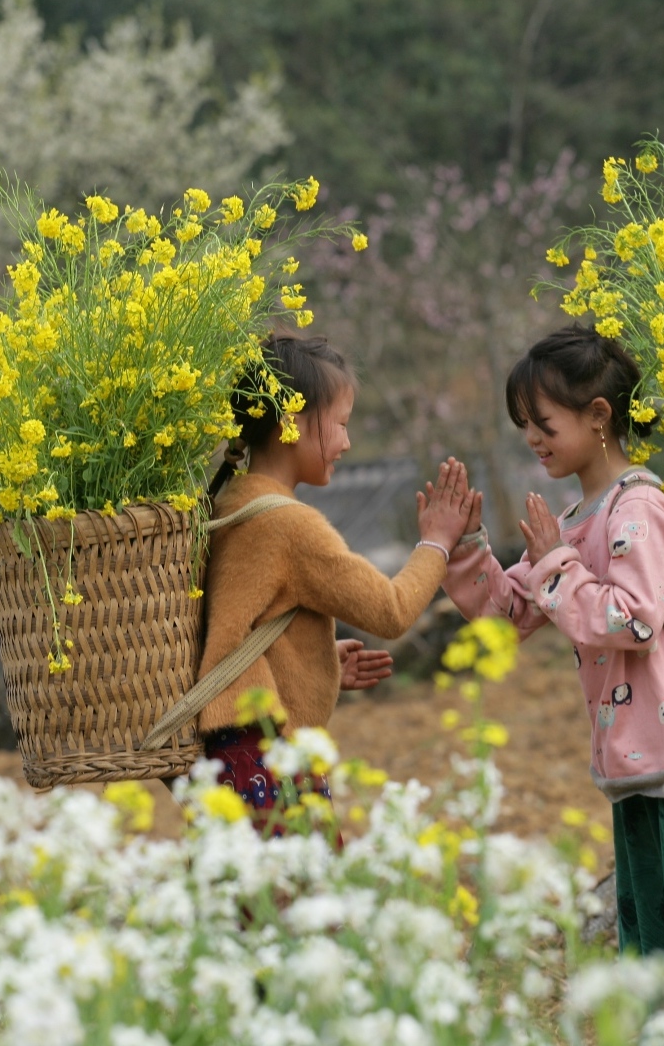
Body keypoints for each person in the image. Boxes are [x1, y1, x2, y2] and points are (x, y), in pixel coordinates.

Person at [439, 323, 664, 955]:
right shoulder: (573, 524)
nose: (531, 439)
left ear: (598, 415)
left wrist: (555, 563)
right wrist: (465, 546)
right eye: (524, 425)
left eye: (544, 423)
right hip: (638, 757)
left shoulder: (637, 510)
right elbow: (509, 618)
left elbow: (633, 620)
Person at [198, 333, 473, 834]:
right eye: (341, 425)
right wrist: (436, 542)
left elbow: (242, 628)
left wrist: (314, 665)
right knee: (302, 883)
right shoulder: (290, 525)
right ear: (291, 423)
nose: (346, 443)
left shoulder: (232, 502)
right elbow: (391, 611)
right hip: (270, 756)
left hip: (231, 754)